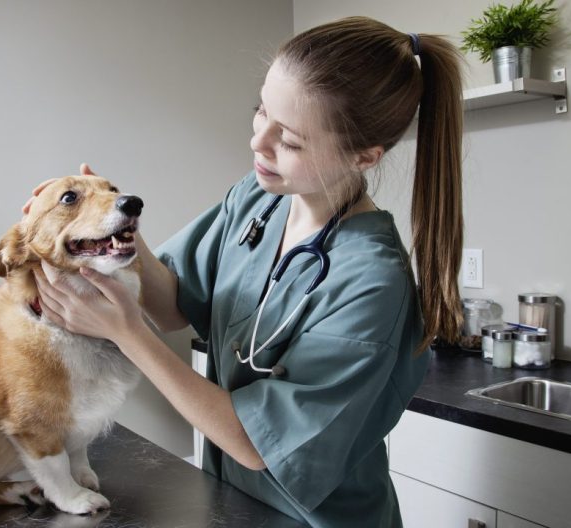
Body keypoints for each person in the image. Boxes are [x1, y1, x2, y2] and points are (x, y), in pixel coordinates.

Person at [25, 16, 464, 527]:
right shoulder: (260, 197)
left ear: (364, 156)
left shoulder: (372, 282)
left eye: (292, 141)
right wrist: (115, 222)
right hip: (232, 504)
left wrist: (124, 333)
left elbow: (259, 444)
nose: (260, 142)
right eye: (261, 111)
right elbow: (171, 307)